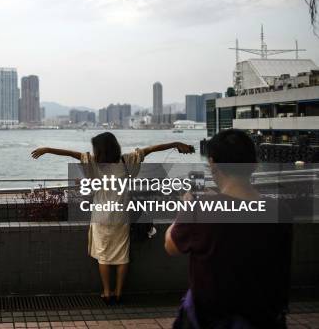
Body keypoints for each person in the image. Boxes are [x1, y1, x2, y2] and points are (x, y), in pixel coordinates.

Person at [32, 132, 194, 305]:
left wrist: (47, 149)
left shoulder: (93, 162)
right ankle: (118, 293)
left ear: (99, 150)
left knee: (104, 255)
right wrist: (176, 143)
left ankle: (107, 292)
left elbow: (71, 153)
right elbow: (151, 149)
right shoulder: (126, 162)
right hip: (121, 216)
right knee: (122, 255)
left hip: (101, 216)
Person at [164, 129, 293, 328]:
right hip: (264, 318)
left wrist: (187, 208)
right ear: (254, 165)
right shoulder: (280, 211)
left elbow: (170, 246)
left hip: (213, 319)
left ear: (213, 165)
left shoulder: (202, 210)